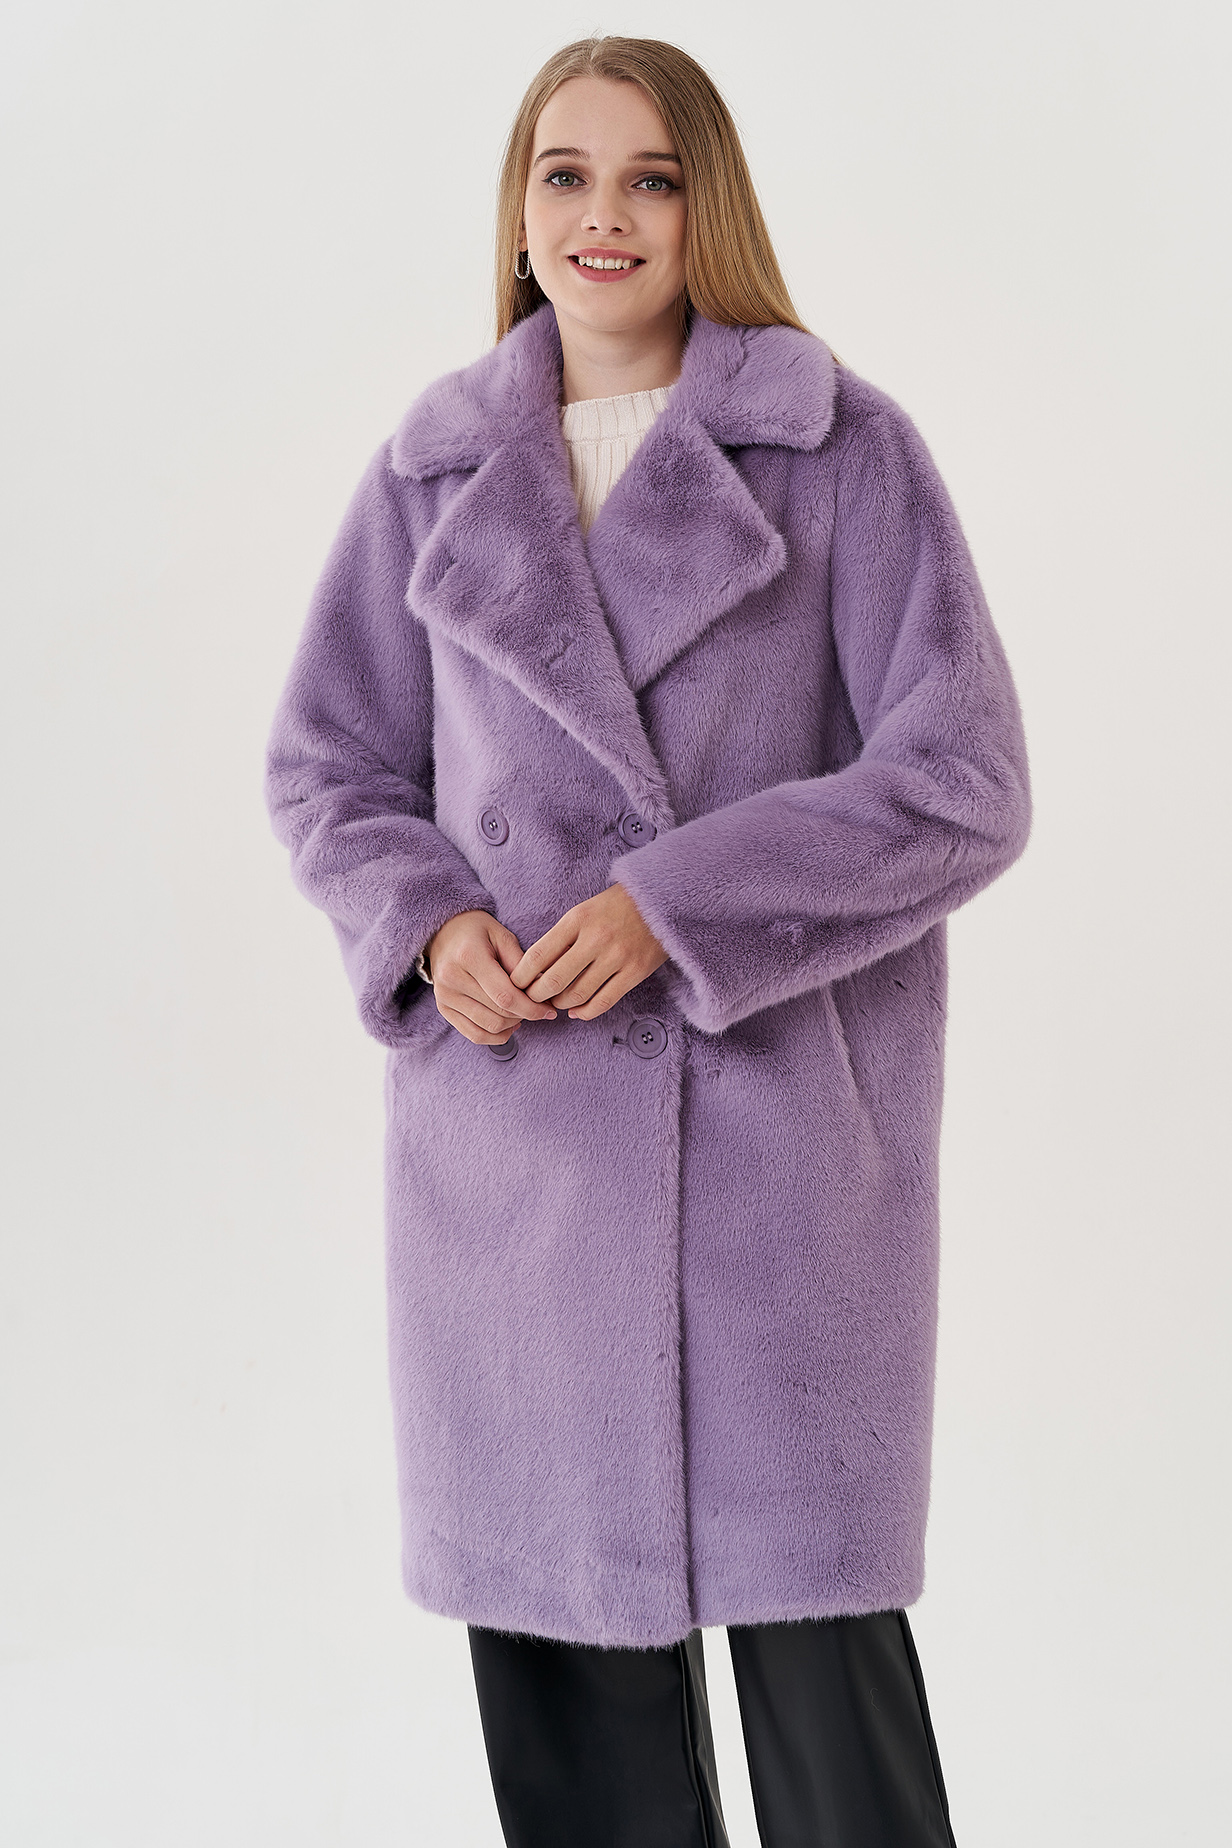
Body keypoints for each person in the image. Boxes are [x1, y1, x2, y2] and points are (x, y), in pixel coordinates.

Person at [264, 34, 1031, 1848]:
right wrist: (428, 923)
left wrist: (674, 908)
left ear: (710, 206)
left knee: (834, 1719)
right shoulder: (436, 470)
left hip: (781, 1177)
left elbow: (965, 780)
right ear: (517, 208)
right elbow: (329, 765)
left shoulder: (840, 451)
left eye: (649, 177)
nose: (601, 215)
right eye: (565, 174)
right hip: (517, 1175)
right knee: (578, 1753)